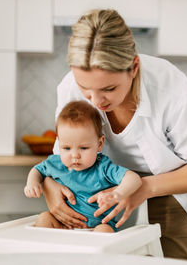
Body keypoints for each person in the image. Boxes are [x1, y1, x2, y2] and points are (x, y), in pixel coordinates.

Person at [43, 9, 187, 263]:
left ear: (134, 67)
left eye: (109, 88)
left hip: (174, 189)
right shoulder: (70, 87)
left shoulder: (170, 88)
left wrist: (142, 188)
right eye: (85, 88)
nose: (96, 101)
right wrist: (50, 186)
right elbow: (60, 158)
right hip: (100, 196)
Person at [24, 100, 142, 233]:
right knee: (44, 218)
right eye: (66, 148)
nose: (75, 155)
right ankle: (47, 252)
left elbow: (134, 178)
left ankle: (96, 253)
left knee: (104, 231)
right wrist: (32, 183)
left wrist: (118, 194)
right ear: (58, 142)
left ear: (99, 144)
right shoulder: (55, 163)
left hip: (96, 228)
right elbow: (37, 170)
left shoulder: (103, 167)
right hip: (62, 226)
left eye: (84, 148)